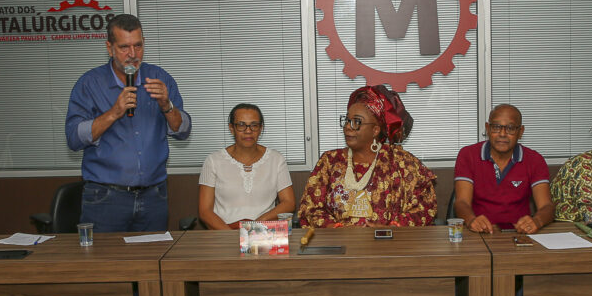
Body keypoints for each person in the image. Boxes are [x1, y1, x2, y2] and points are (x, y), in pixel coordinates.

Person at [65, 13, 191, 232]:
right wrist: (114, 112)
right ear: (109, 47)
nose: (133, 55)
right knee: (106, 264)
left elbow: (184, 130)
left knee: (153, 263)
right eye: (124, 47)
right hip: (105, 197)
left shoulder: (159, 78)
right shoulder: (90, 83)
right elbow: (74, 138)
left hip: (154, 196)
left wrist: (166, 105)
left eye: (138, 46)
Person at [298, 85, 437, 227]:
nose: (348, 126)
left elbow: (425, 206)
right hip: (340, 245)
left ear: (375, 130)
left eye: (357, 122)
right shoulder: (329, 161)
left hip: (390, 246)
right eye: (347, 120)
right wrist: (335, 229)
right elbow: (310, 209)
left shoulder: (401, 162)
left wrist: (392, 229)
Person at [453, 104, 554, 234]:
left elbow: (547, 206)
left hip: (521, 234)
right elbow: (461, 202)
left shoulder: (534, 160)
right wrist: (471, 220)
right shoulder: (468, 155)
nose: (502, 134)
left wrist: (537, 221)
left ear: (521, 132)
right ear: (488, 129)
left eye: (510, 128)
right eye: (496, 127)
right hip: (478, 234)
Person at [198, 104, 295, 229]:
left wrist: (253, 227)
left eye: (254, 125)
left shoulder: (276, 159)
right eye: (241, 125)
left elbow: (289, 203)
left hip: (263, 233)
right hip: (224, 233)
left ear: (260, 128)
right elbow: (205, 212)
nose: (248, 131)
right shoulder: (213, 161)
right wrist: (231, 235)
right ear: (231, 128)